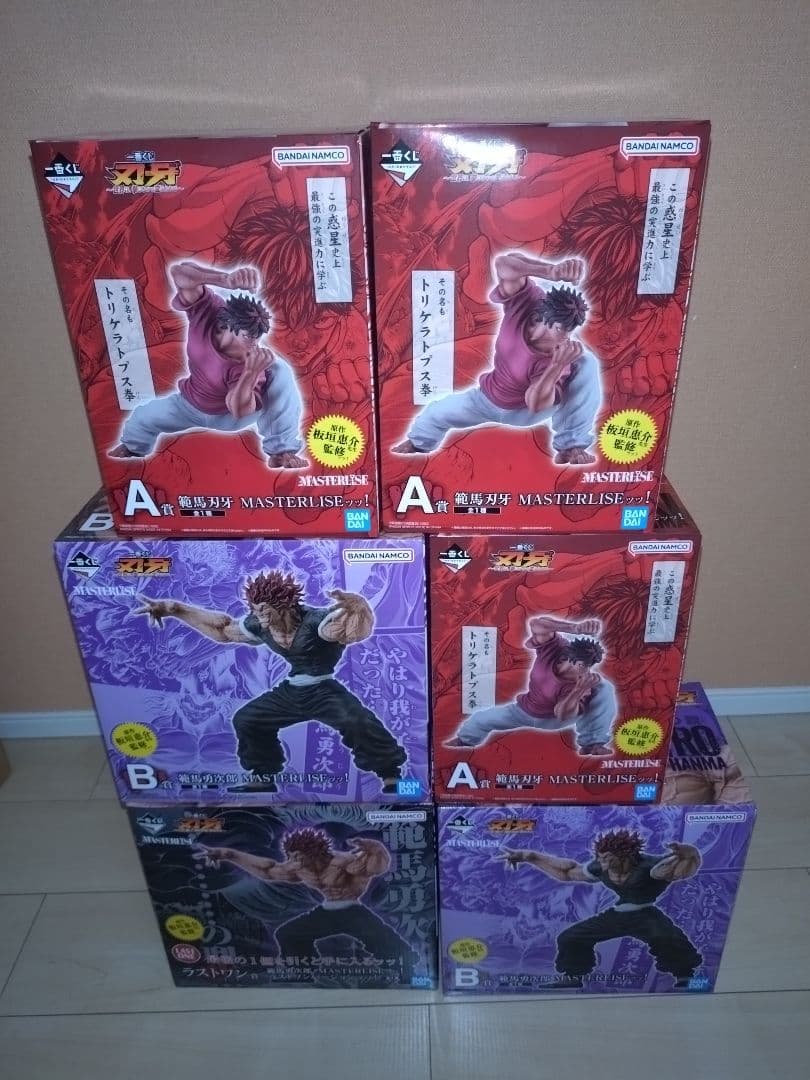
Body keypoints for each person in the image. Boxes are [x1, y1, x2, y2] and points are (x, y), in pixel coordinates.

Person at [135, 570, 407, 793]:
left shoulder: (318, 623)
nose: (261, 616)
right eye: (256, 610)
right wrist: (176, 609)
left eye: (265, 610)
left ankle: (390, 775)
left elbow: (354, 632)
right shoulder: (259, 625)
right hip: (291, 691)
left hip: (324, 690)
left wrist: (359, 608)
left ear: (284, 606)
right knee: (247, 719)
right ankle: (262, 777)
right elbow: (223, 630)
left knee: (357, 721)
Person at [393, 253, 600, 465]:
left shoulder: (560, 356)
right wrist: (550, 271)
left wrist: (556, 366)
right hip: (487, 397)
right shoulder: (528, 303)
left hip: (523, 412)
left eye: (562, 330)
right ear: (542, 314)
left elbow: (536, 404)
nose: (565, 338)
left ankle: (571, 446)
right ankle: (418, 444)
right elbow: (504, 265)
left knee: (586, 362)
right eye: (557, 328)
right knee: (435, 412)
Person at [110, 262, 306, 469]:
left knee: (279, 369)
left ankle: (282, 451)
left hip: (228, 416)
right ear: (227, 327)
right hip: (189, 404)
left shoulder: (249, 363)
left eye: (257, 338)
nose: (255, 345)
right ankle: (132, 448)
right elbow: (179, 273)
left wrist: (251, 373)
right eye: (249, 337)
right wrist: (224, 279)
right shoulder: (209, 312)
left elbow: (240, 411)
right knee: (143, 416)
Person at [499, 828, 703, 989]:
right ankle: (573, 977)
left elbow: (683, 870)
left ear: (625, 855)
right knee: (570, 938)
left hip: (646, 913)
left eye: (608, 858)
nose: (603, 862)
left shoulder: (652, 866)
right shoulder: (600, 866)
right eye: (600, 857)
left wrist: (690, 853)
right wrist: (530, 856)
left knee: (667, 938)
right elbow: (567, 872)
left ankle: (685, 977)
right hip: (619, 913)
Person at [196, 827, 417, 976]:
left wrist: (375, 848)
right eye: (292, 856)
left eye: (298, 857)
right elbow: (268, 871)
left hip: (352, 909)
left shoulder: (344, 862)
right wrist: (228, 854)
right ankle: (304, 971)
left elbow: (377, 867)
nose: (294, 861)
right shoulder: (299, 868)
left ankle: (405, 965)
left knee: (385, 942)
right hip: (327, 910)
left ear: (313, 852)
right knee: (288, 934)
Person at [446, 615, 616, 755]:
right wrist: (574, 628)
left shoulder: (583, 682)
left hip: (552, 720)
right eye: (582, 665)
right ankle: (463, 741)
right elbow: (537, 624)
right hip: (524, 709)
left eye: (588, 666)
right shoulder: (557, 648)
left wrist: (578, 690)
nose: (585, 670)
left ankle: (593, 743)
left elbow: (562, 715)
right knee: (480, 719)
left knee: (604, 687)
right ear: (569, 656)